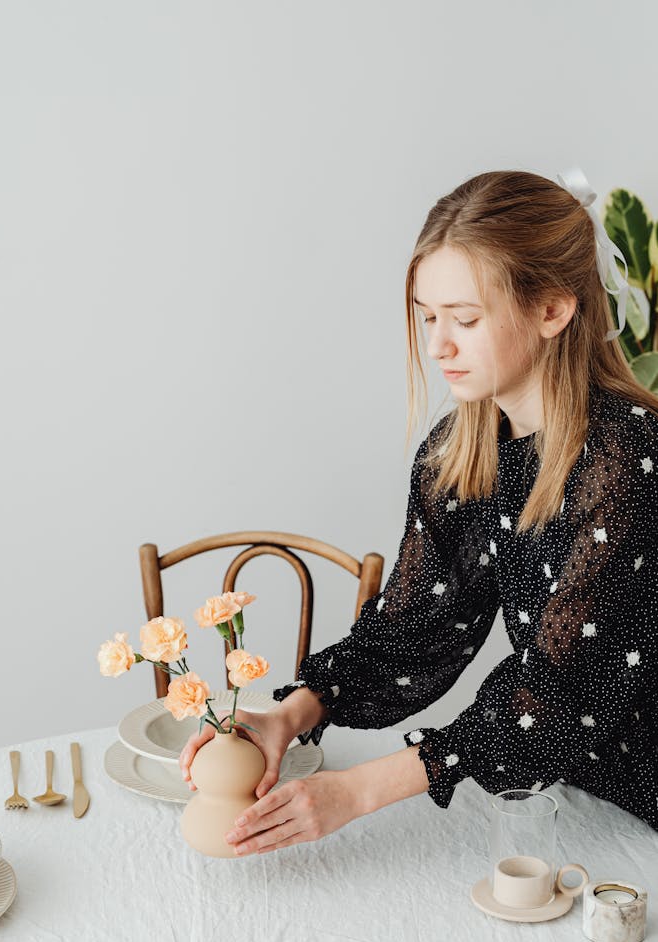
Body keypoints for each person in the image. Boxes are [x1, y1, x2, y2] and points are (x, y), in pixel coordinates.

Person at [179, 167, 658, 854]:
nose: (438, 346)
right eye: (428, 318)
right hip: (571, 792)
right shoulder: (462, 452)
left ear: (553, 309)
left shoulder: (628, 460)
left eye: (465, 319)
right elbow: (415, 631)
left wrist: (358, 791)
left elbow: (556, 694)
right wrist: (293, 712)